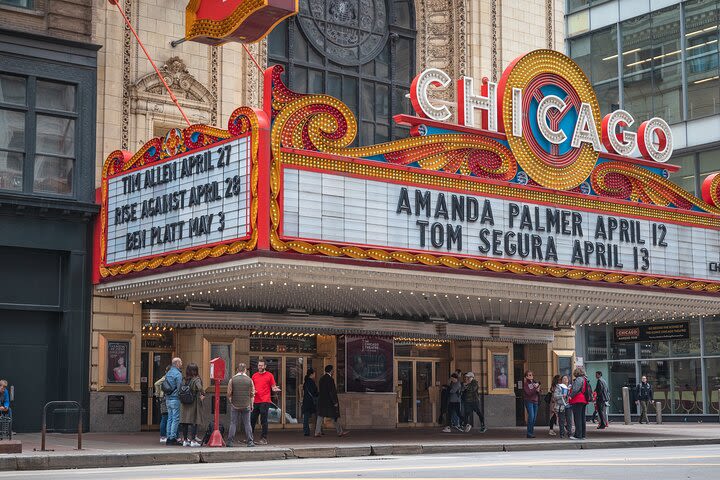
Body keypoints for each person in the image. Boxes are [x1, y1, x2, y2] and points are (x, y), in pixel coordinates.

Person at [315, 365, 349, 437]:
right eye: (333, 370)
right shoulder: (330, 379)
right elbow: (332, 392)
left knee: (320, 416)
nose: (333, 371)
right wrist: (335, 402)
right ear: (330, 370)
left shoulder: (321, 379)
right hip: (329, 401)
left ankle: (317, 432)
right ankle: (340, 432)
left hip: (322, 401)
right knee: (334, 416)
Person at [251, 360, 280, 445]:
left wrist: (275, 390)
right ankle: (250, 438)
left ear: (265, 366)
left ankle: (264, 438)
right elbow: (252, 387)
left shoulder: (269, 375)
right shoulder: (254, 376)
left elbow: (273, 387)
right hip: (256, 400)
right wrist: (253, 391)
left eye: (261, 365)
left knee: (264, 420)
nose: (260, 367)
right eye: (259, 365)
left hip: (265, 400)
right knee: (252, 420)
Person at [227, 363, 255, 447]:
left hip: (235, 405)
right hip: (246, 404)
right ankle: (250, 442)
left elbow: (229, 393)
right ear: (245, 370)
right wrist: (251, 404)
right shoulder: (250, 380)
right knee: (247, 423)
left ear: (237, 370)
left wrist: (231, 401)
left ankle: (230, 442)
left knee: (233, 423)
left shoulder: (232, 379)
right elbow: (252, 394)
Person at [179, 363, 204, 447]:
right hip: (193, 402)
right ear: (196, 370)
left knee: (184, 422)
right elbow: (200, 387)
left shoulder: (184, 379)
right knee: (194, 421)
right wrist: (203, 394)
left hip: (184, 402)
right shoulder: (196, 379)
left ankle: (185, 440)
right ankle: (193, 440)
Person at [165, 357, 183, 446]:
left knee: (170, 418)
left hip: (167, 398)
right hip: (175, 398)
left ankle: (168, 437)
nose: (181, 364)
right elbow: (180, 387)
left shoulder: (168, 373)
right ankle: (172, 438)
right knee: (175, 419)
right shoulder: (178, 374)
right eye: (180, 363)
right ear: (177, 363)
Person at [568, 367, 590, 440]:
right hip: (584, 399)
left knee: (577, 418)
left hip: (577, 399)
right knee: (582, 418)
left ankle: (578, 435)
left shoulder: (578, 379)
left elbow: (575, 389)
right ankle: (583, 435)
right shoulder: (585, 379)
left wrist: (570, 396)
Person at [522, 370, 541, 438]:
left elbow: (537, 392)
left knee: (534, 418)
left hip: (535, 401)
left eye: (532, 375)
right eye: (529, 375)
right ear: (526, 376)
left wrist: (538, 389)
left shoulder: (534, 382)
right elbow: (529, 393)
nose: (531, 376)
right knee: (531, 416)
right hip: (529, 401)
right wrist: (535, 388)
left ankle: (531, 432)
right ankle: (529, 433)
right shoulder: (526, 384)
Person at [153, 366, 170, 443]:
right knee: (165, 417)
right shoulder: (166, 377)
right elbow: (156, 383)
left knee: (166, 417)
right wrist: (158, 394)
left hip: (164, 398)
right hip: (164, 399)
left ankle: (165, 435)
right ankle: (163, 436)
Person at [553, 374, 572, 439]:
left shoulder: (570, 387)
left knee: (569, 420)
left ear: (568, 380)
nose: (565, 380)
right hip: (561, 406)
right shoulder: (558, 387)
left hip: (569, 405)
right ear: (561, 380)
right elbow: (555, 396)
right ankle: (562, 434)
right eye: (564, 378)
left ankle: (569, 433)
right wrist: (561, 396)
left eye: (566, 378)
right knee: (561, 420)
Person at [301, 368, 318, 436]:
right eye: (314, 373)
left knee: (306, 417)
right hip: (311, 402)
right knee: (317, 416)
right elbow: (315, 392)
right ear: (311, 374)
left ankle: (306, 431)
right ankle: (318, 430)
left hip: (306, 401)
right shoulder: (311, 382)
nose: (315, 375)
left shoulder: (306, 382)